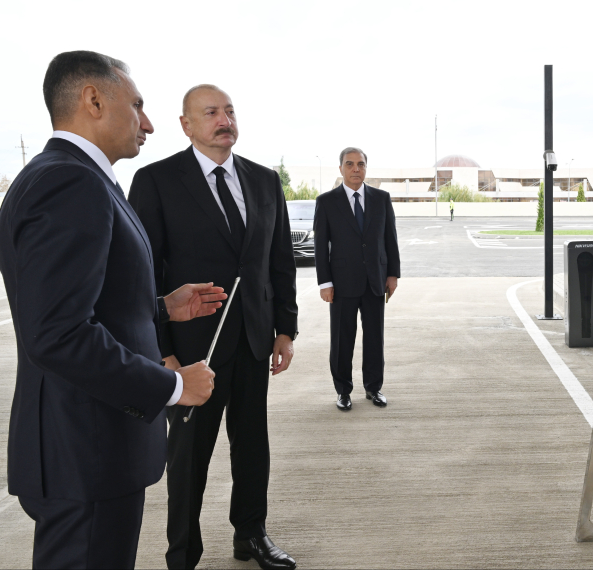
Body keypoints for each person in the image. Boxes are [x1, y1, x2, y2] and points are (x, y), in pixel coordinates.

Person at [0, 51, 220, 570]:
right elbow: (57, 333)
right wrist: (173, 386)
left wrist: (161, 308)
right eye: (137, 105)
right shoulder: (68, 183)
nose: (149, 123)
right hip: (87, 452)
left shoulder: (72, 177)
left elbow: (77, 302)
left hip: (88, 449)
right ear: (94, 100)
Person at [128, 84, 299, 570]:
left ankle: (251, 535)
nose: (224, 119)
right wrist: (163, 356)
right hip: (189, 354)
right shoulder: (156, 180)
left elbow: (278, 261)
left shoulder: (265, 181)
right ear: (186, 124)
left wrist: (285, 329)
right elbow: (143, 275)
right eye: (210, 112)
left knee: (252, 448)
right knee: (188, 462)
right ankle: (182, 554)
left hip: (253, 341)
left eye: (229, 110)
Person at [314, 148, 401, 411]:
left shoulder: (381, 199)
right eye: (350, 164)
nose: (355, 169)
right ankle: (343, 391)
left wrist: (393, 274)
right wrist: (324, 282)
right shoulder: (327, 201)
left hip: (375, 280)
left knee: (375, 337)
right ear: (340, 168)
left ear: (366, 168)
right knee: (342, 339)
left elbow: (390, 239)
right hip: (341, 284)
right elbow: (321, 246)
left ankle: (374, 388)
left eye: (360, 164)